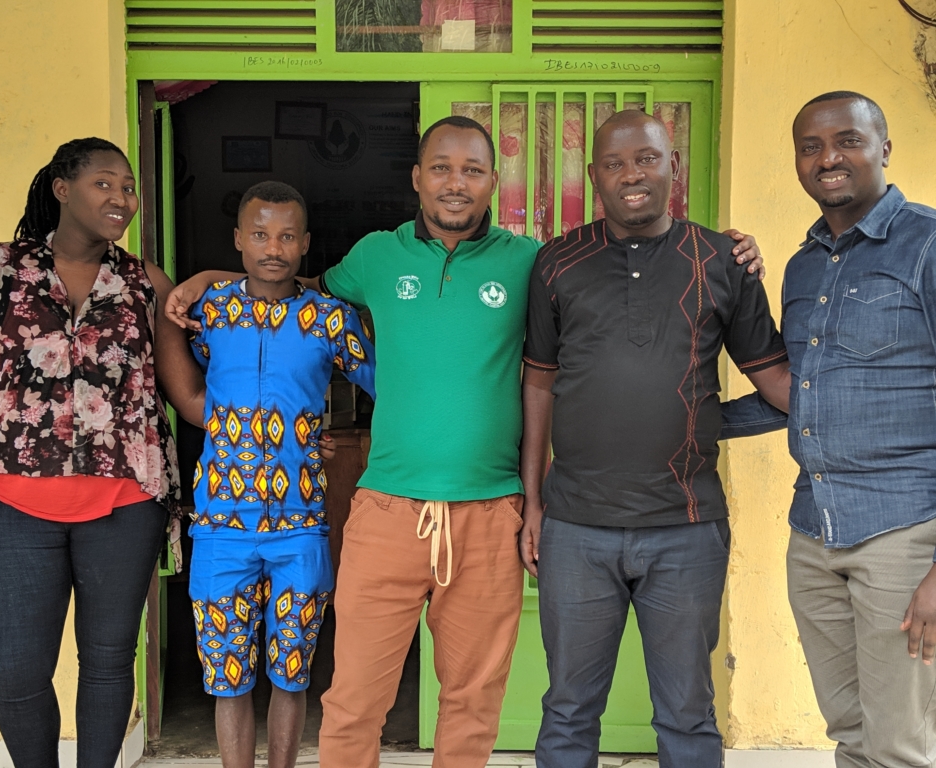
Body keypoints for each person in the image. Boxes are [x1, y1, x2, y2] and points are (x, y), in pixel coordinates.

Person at [165, 115, 766, 768]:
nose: (457, 183)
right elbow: (296, 290)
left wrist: (726, 252)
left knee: (473, 703)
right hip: (386, 511)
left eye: (473, 170)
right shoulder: (374, 257)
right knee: (352, 703)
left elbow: (588, 338)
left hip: (489, 515)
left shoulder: (532, 263)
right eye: (443, 169)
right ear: (418, 178)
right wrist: (213, 280)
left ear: (493, 182)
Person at [519, 109, 791, 768]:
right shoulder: (558, 262)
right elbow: (538, 385)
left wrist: (708, 419)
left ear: (673, 164)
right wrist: (533, 503)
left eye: (646, 158)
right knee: (568, 711)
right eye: (613, 163)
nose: (631, 174)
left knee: (688, 716)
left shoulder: (722, 260)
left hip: (687, 528)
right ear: (594, 176)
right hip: (577, 528)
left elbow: (778, 380)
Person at [0, 138, 197, 768]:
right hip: (16, 507)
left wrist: (284, 424)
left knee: (109, 665)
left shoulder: (144, 283)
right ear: (62, 188)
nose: (122, 199)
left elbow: (189, 397)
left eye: (129, 187)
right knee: (17, 670)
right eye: (104, 184)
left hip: (126, 505)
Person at [721, 91, 936, 767]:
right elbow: (803, 392)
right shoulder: (806, 264)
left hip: (902, 535)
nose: (828, 158)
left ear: (884, 148)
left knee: (900, 744)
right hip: (814, 533)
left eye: (847, 140)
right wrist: (677, 424)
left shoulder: (926, 246)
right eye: (810, 147)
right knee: (850, 734)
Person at [158, 181, 376, 768]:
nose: (272, 247)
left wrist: (348, 447)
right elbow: (206, 383)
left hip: (299, 522)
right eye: (259, 234)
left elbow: (388, 387)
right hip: (220, 526)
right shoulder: (210, 311)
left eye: (285, 236)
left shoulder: (331, 319)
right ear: (238, 240)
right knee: (226, 675)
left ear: (305, 244)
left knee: (292, 671)